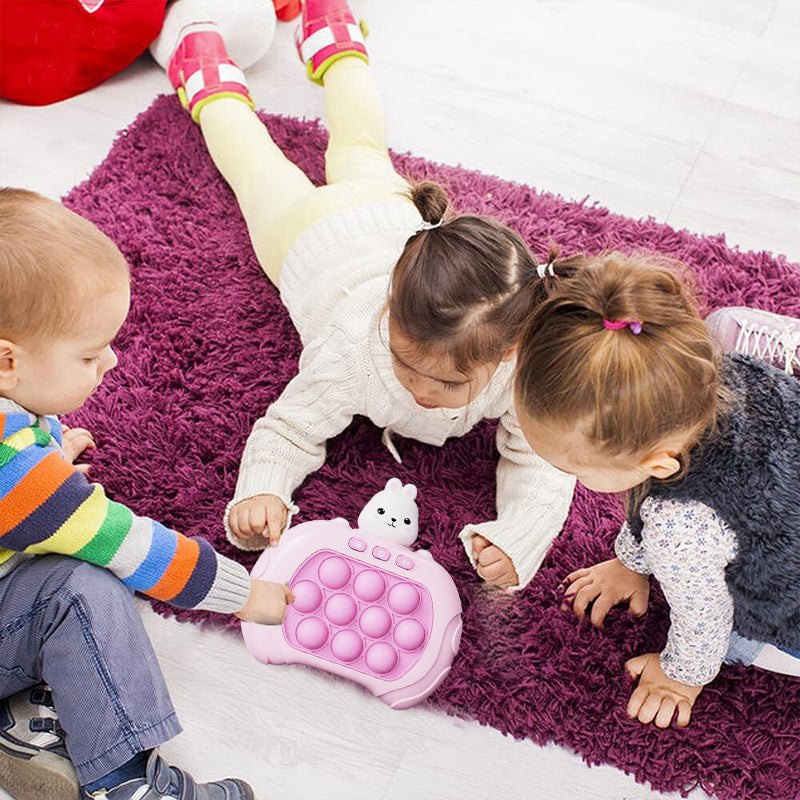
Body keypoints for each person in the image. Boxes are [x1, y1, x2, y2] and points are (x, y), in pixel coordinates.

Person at [157, 0, 577, 591]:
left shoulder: (520, 364)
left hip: (387, 215)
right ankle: (209, 80)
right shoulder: (353, 349)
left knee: (361, 147)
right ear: (387, 315)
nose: (424, 393)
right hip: (306, 235)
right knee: (255, 164)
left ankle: (337, 42)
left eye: (451, 384)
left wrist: (518, 536)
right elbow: (289, 428)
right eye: (406, 365)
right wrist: (262, 490)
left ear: (509, 351)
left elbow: (543, 458)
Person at [0, 188, 293, 800]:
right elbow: (129, 544)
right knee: (84, 588)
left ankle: (26, 724)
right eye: (87, 352)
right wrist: (247, 596)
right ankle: (128, 784)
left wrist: (42, 452)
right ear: (8, 362)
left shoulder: (16, 447)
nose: (109, 361)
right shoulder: (18, 476)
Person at [510, 249, 800, 728]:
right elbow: (646, 496)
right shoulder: (708, 372)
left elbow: (701, 618)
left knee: (729, 640)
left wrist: (680, 676)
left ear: (655, 463)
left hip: (786, 599)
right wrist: (631, 563)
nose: (569, 478)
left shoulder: (681, 525)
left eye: (575, 468)